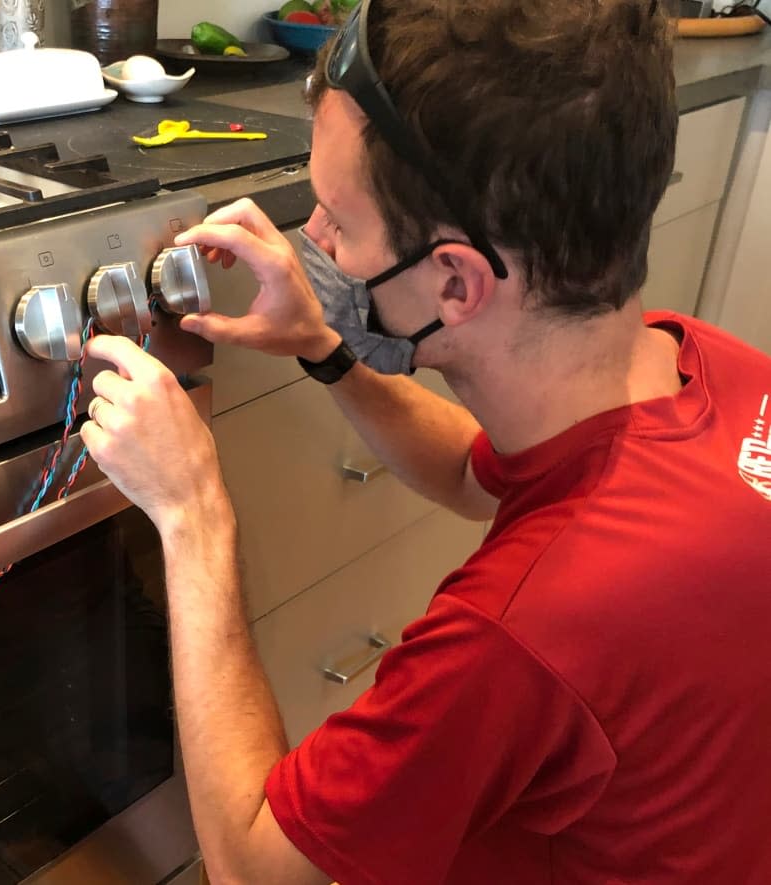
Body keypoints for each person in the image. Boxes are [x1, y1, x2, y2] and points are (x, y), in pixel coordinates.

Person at [78, 0, 771, 880]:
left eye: (336, 218)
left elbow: (250, 864)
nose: (316, 239)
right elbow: (474, 472)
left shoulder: (516, 630)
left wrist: (191, 511)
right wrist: (325, 351)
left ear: (456, 283)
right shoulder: (703, 366)